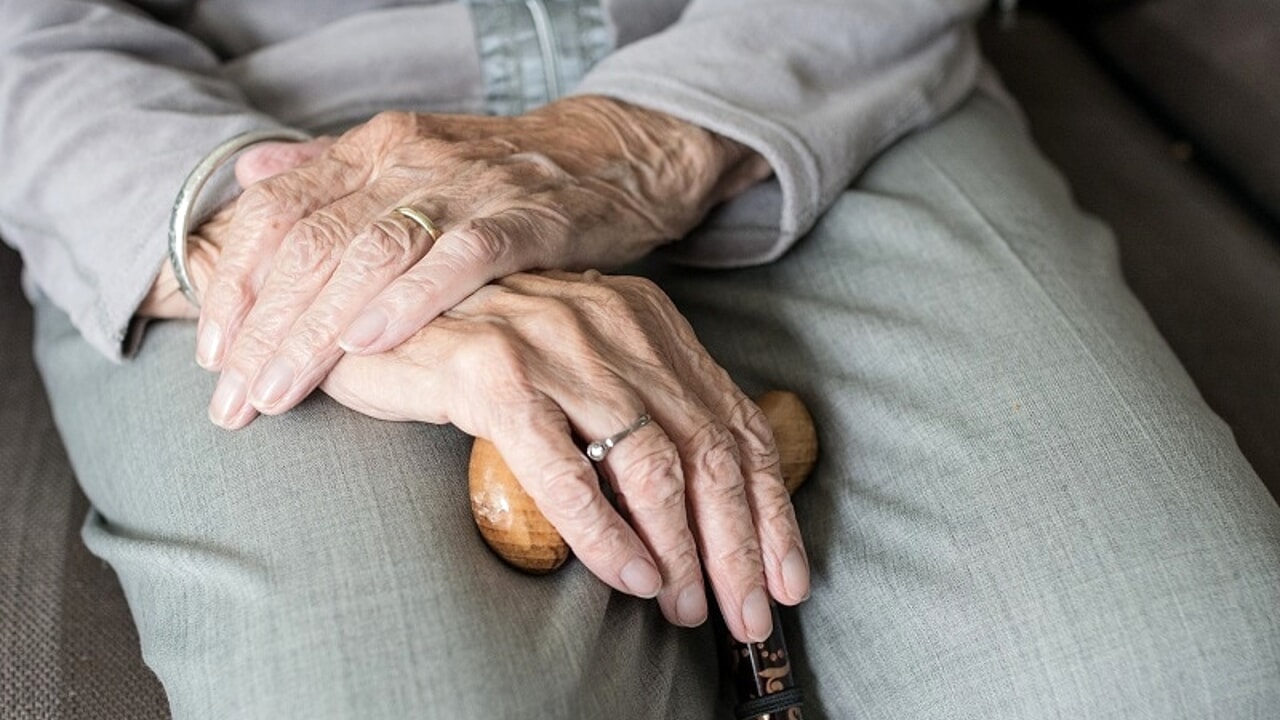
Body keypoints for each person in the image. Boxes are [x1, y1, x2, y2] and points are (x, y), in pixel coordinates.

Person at [2, 1, 1278, 718]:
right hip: (235, 143)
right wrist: (289, 242)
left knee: (1188, 677)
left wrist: (632, 141)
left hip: (801, 70)